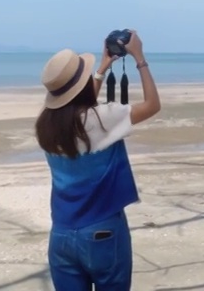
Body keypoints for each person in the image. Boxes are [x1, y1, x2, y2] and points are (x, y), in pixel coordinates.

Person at [36, 30, 160, 291]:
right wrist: (140, 58)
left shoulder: (46, 126)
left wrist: (102, 69)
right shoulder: (103, 119)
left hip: (61, 235)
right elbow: (152, 105)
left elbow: (77, 108)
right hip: (103, 232)